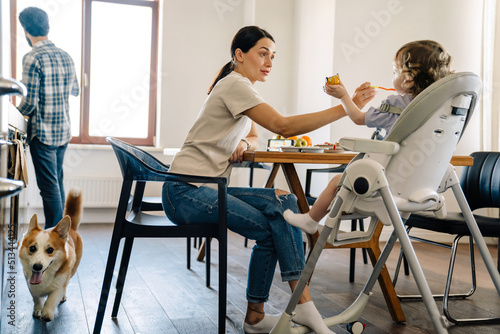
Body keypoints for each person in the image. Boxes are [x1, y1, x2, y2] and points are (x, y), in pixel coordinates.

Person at [162, 26, 375, 334]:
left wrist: (244, 144)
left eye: (272, 56)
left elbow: (253, 133)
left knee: (284, 201)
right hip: (185, 191)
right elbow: (282, 126)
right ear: (239, 55)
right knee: (272, 227)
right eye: (262, 54)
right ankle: (294, 310)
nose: (269, 63)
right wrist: (346, 107)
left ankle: (267, 316)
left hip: (208, 188)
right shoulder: (235, 84)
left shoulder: (240, 86)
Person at [284, 40, 453, 234]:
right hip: (426, 186)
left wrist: (344, 96)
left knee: (338, 182)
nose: (393, 76)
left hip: (387, 184)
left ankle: (311, 220)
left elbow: (357, 117)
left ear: (408, 78)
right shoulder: (441, 109)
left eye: (395, 71)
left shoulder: (397, 104)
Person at [17, 7, 79, 229]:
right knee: (56, 183)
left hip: (43, 134)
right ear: (47, 26)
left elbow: (29, 103)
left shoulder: (32, 57)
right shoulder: (66, 56)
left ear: (25, 30)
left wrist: (11, 115)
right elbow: (75, 90)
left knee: (49, 187)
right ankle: (61, 235)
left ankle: (55, 238)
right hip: (63, 131)